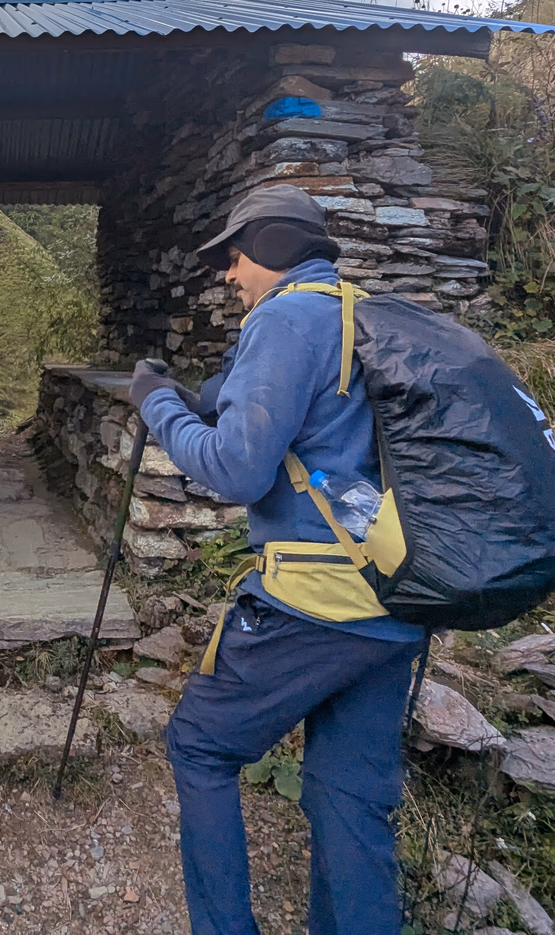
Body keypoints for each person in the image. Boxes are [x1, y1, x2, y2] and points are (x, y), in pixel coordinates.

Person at [125, 183, 427, 935]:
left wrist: (156, 404)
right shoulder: (361, 313)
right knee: (347, 794)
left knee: (198, 744)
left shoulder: (286, 316)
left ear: (267, 247)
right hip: (400, 594)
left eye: (233, 258)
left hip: (314, 601)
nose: (229, 277)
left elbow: (236, 471)